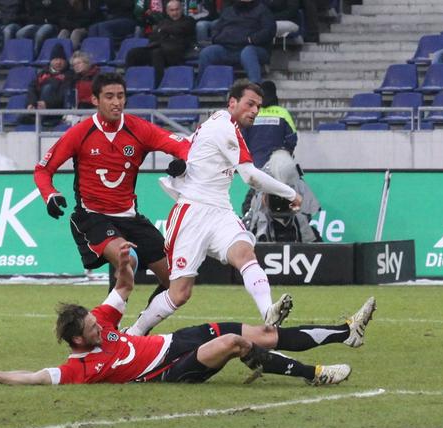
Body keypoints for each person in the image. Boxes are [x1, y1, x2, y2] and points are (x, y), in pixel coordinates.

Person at [0, 242, 372, 388]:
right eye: (91, 326)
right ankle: (315, 374)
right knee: (235, 343)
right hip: (171, 369)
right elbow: (37, 377)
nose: (99, 325)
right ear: (78, 341)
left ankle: (345, 333)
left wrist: (124, 264)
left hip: (176, 341)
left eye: (94, 319)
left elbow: (123, 288)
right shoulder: (78, 370)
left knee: (264, 334)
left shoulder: (101, 321)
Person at [125, 80, 305, 337]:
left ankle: (269, 313)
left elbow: (190, 149)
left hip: (220, 211)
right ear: (232, 102)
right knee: (180, 293)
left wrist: (181, 165)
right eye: (249, 104)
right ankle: (134, 333)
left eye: (258, 106)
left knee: (245, 254)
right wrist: (290, 193)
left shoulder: (218, 124)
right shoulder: (224, 127)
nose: (255, 110)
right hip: (193, 213)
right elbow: (250, 177)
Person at [33, 72, 191, 305]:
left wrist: (183, 161)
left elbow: (183, 145)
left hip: (130, 218)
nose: (116, 102)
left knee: (177, 285)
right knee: (128, 260)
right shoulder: (81, 132)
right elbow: (43, 170)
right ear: (95, 100)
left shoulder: (139, 129)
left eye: (120, 96)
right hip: (92, 217)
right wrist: (50, 195)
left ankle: (138, 331)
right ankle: (108, 331)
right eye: (109, 96)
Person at [197, 0, 276, 84]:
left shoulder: (263, 10)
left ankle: (255, 86)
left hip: (253, 49)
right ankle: (202, 85)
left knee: (248, 52)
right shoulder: (228, 10)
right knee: (207, 52)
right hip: (227, 48)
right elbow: (216, 28)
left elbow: (269, 30)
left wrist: (252, 39)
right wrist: (216, 38)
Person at [125, 0, 196, 81]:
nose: (175, 13)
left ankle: (158, 83)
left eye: (177, 9)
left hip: (174, 54)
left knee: (157, 53)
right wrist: (166, 33)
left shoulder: (189, 21)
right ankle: (130, 81)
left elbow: (178, 30)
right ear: (167, 12)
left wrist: (162, 31)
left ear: (182, 9)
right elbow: (153, 37)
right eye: (172, 10)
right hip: (157, 48)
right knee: (133, 53)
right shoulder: (163, 22)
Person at [242, 81, 297, 169]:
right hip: (278, 165)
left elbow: (242, 138)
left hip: (255, 165)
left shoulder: (251, 113)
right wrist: (286, 153)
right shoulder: (283, 113)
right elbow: (292, 139)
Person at [22, 44, 74, 124]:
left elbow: (64, 95)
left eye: (61, 59)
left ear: (65, 61)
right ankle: (35, 115)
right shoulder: (43, 73)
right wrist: (31, 103)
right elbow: (32, 88)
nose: (58, 62)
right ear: (51, 61)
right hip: (39, 106)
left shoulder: (69, 75)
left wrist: (47, 104)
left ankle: (38, 118)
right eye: (56, 59)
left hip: (56, 109)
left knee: (48, 88)